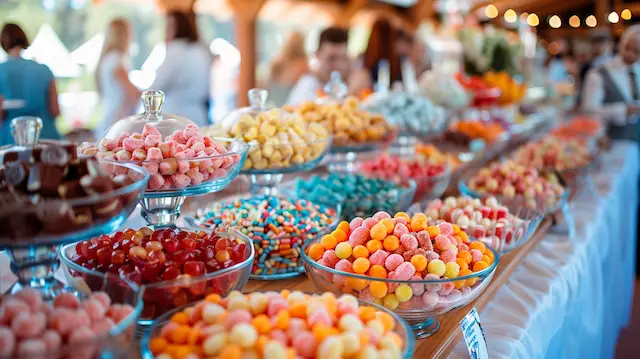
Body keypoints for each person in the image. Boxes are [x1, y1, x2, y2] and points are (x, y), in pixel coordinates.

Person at [0, 23, 61, 145]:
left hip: (12, 140)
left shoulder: (1, 71)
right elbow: (55, 110)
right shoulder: (44, 70)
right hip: (46, 137)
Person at [151, 11, 211, 126]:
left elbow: (157, 86)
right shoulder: (200, 49)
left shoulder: (176, 50)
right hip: (199, 114)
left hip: (176, 115)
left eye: (168, 27)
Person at [581, 24, 640, 141]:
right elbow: (589, 111)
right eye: (627, 48)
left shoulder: (637, 70)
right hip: (611, 143)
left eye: (636, 51)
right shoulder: (598, 73)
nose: (630, 54)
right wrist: (623, 110)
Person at [95, 18, 140, 138]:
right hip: (117, 121)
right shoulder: (117, 59)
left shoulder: (107, 58)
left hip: (110, 119)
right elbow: (132, 93)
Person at [286, 27, 353, 106]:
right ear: (317, 55)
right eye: (331, 58)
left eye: (343, 58)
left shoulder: (353, 82)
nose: (338, 65)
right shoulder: (307, 84)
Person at [266, 32, 309, 106]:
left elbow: (268, 86)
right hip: (291, 107)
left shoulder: (276, 62)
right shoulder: (303, 65)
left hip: (273, 105)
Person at [577, 31, 614, 104]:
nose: (598, 46)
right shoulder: (586, 67)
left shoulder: (614, 64)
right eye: (595, 43)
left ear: (609, 44)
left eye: (602, 43)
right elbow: (581, 88)